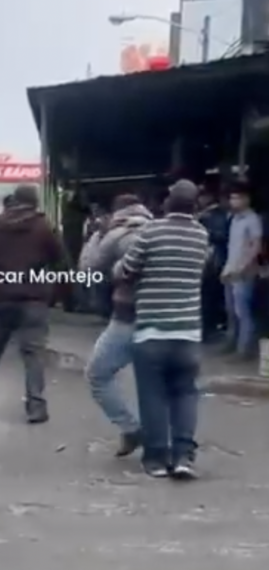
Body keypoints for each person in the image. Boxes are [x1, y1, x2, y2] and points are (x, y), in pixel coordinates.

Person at [114, 180, 207, 479]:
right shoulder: (201, 235)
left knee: (153, 396)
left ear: (168, 202)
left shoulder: (151, 231)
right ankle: (183, 457)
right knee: (185, 394)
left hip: (151, 330)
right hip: (188, 332)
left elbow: (126, 270)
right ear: (195, 206)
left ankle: (155, 458)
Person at [0, 184, 67, 423]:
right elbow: (61, 262)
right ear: (35, 202)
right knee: (33, 356)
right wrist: (56, 293)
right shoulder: (43, 228)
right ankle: (36, 407)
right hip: (33, 299)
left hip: (1, 298)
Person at [79, 194, 152, 457]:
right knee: (154, 382)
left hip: (128, 317)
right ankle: (164, 440)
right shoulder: (157, 229)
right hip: (164, 317)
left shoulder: (117, 234)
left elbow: (89, 269)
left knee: (97, 374)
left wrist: (97, 236)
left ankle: (131, 428)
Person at [221, 181, 262, 360]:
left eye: (237, 197)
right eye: (232, 197)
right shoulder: (234, 219)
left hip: (244, 272)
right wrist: (226, 268)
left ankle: (244, 349)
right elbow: (233, 247)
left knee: (242, 311)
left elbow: (256, 246)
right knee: (231, 311)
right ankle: (232, 342)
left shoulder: (253, 219)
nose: (233, 201)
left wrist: (243, 267)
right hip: (231, 270)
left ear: (247, 198)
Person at [198, 188, 230, 341]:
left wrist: (207, 232)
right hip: (211, 262)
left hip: (214, 262)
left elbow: (220, 236)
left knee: (210, 298)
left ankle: (209, 330)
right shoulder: (205, 214)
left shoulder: (212, 215)